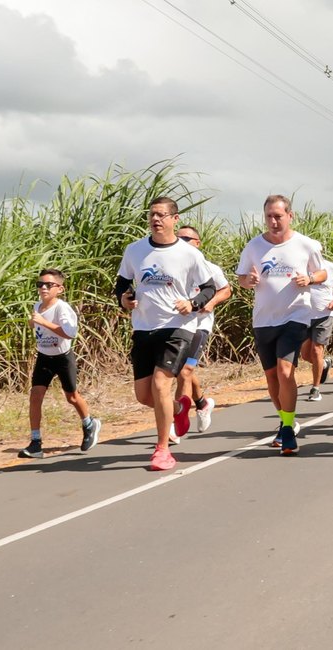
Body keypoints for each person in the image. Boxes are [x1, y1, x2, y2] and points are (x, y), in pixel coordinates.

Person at [115, 197, 216, 471]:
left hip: (178, 326)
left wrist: (192, 304)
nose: (155, 220)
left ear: (175, 219)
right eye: (152, 215)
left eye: (161, 215)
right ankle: (179, 408)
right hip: (144, 328)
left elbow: (209, 288)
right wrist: (123, 300)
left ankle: (162, 450)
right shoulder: (135, 250)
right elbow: (122, 284)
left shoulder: (189, 254)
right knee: (143, 395)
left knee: (161, 384)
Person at [236, 195, 326, 455]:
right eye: (269, 217)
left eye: (278, 216)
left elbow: (322, 274)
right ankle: (286, 420)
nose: (274, 221)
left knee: (286, 370)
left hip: (295, 316)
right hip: (264, 320)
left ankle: (287, 429)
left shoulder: (305, 245)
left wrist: (308, 279)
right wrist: (248, 280)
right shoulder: (254, 246)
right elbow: (242, 277)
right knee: (272, 376)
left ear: (290, 216)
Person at [19, 269, 102, 459]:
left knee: (72, 397)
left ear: (60, 289)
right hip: (44, 356)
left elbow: (70, 332)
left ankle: (90, 424)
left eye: (49, 285)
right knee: (35, 396)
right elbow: (37, 324)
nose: (43, 288)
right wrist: (33, 323)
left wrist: (43, 322)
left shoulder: (62, 308)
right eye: (40, 284)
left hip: (63, 357)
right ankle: (35, 442)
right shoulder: (37, 305)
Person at [172, 225, 232, 437]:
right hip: (177, 325)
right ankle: (202, 403)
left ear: (198, 243)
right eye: (179, 238)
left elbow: (226, 290)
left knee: (185, 372)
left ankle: (177, 424)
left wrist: (212, 301)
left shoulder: (210, 268)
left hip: (200, 325)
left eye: (187, 238)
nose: (183, 241)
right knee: (182, 371)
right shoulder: (173, 267)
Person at [302, 259, 333, 403]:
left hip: (324, 315)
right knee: (305, 355)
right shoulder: (301, 266)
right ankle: (324, 364)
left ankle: (315, 389)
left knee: (317, 350)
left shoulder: (331, 267)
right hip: (304, 316)